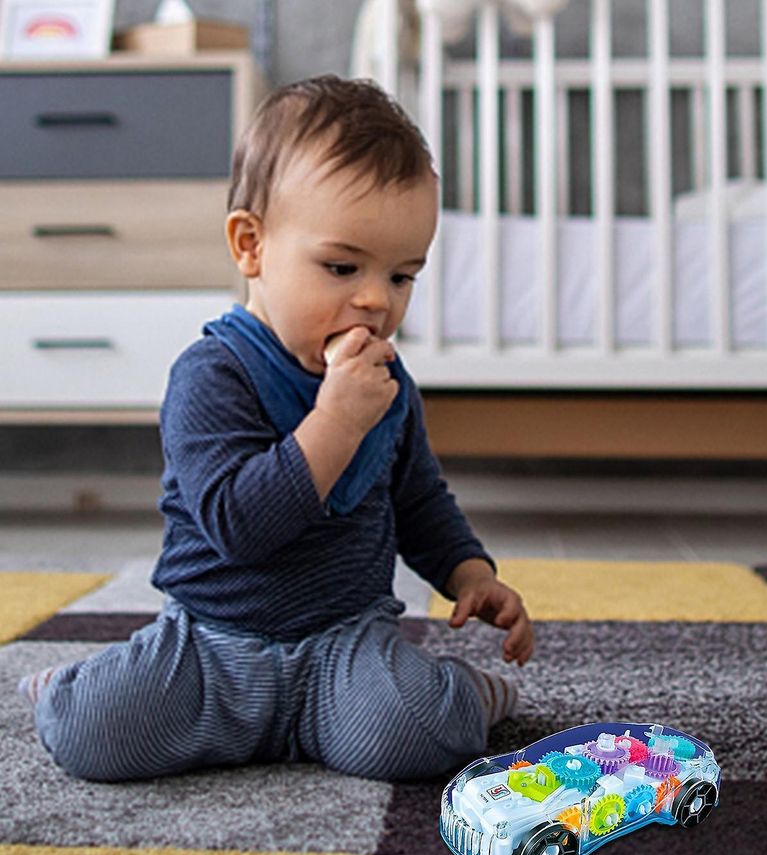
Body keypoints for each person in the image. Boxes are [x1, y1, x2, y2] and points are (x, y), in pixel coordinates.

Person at [19, 75, 533, 783]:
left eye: (402, 276)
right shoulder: (210, 376)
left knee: (411, 737)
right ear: (250, 245)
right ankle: (69, 688)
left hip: (342, 646)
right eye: (343, 266)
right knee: (93, 737)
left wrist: (470, 572)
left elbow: (417, 498)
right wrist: (333, 421)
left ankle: (466, 694)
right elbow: (240, 526)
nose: (376, 300)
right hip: (210, 645)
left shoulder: (386, 385)